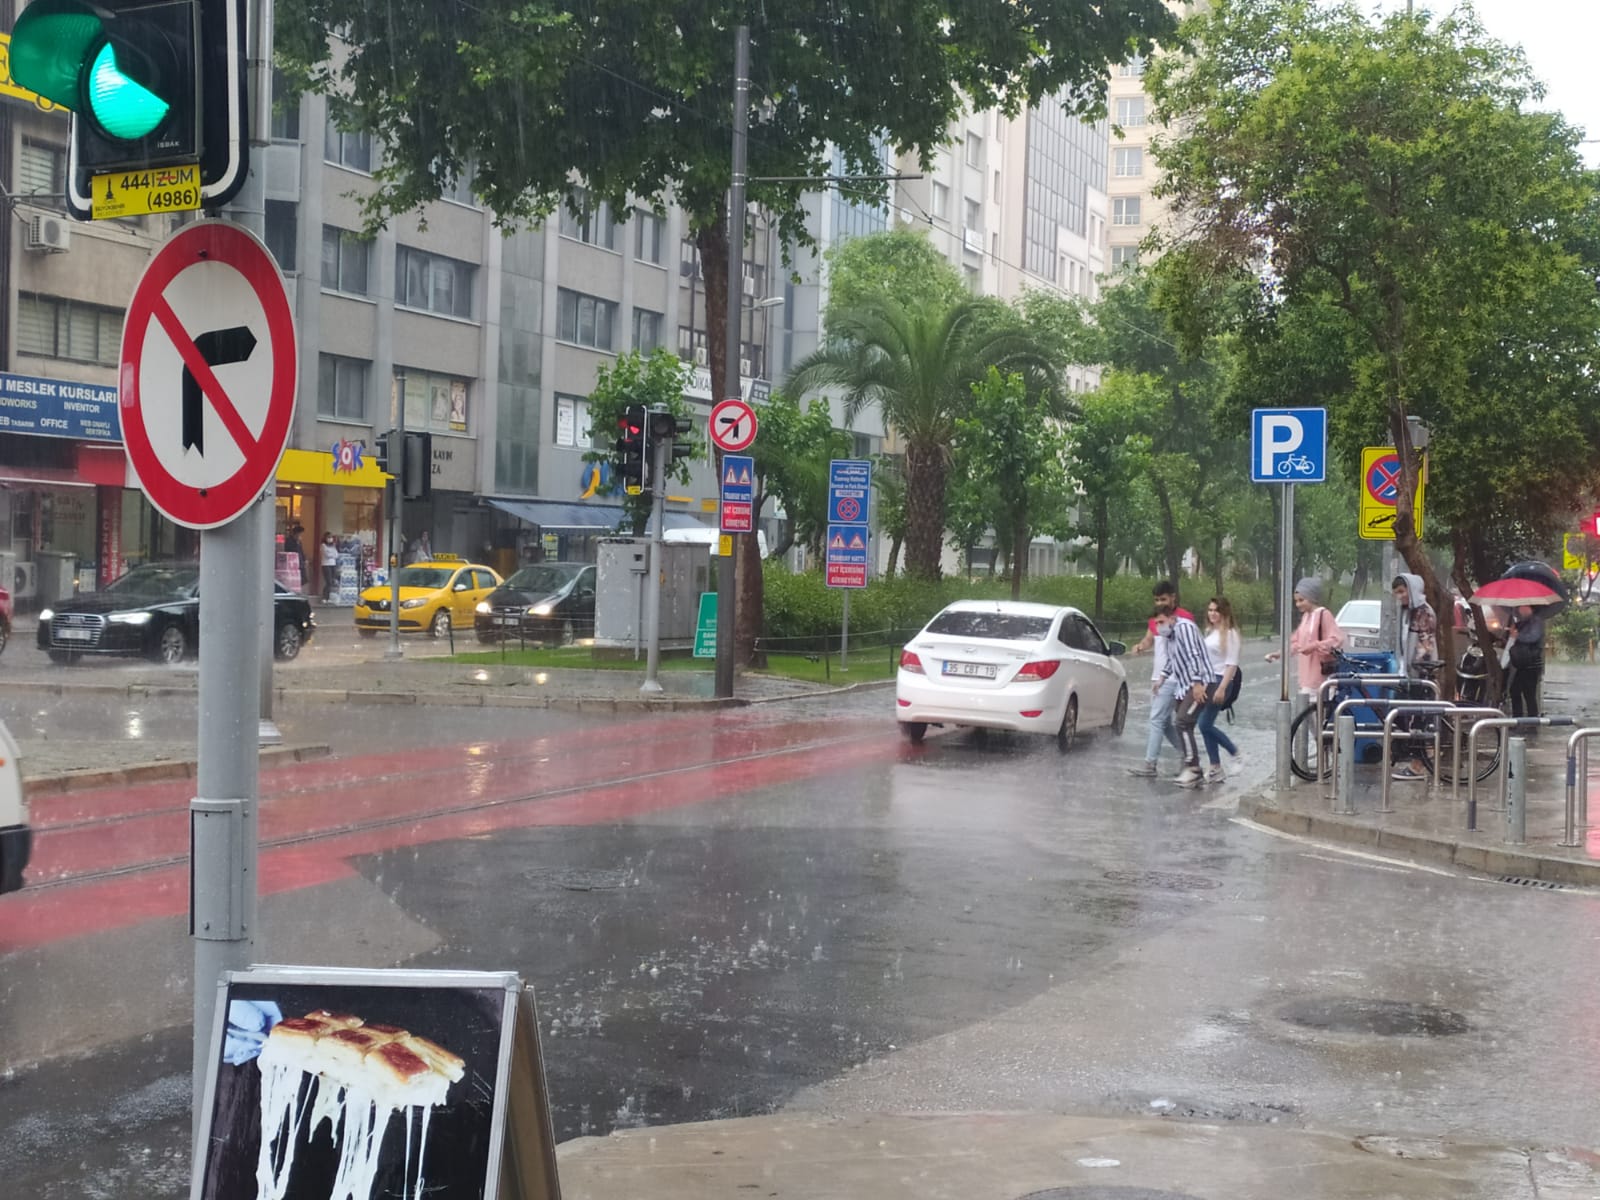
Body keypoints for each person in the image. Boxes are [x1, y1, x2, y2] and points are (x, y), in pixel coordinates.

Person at [1127, 580, 1195, 778]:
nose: (1159, 603)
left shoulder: (1185, 618)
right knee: (1164, 723)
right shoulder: (1156, 619)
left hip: (1174, 677)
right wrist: (1140, 646)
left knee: (1156, 719)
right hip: (1159, 676)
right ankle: (1188, 754)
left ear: (1173, 597)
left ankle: (1150, 764)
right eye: (1156, 600)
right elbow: (1149, 639)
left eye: (1163, 599)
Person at [1157, 606, 1218, 787]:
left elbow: (1194, 655)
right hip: (1185, 686)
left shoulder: (1185, 628)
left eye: (1161, 622)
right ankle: (1192, 766)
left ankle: (1193, 768)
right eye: (1156, 623)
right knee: (1184, 725)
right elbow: (1173, 659)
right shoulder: (1169, 636)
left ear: (1171, 618)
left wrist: (1197, 683)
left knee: (1183, 721)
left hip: (1201, 683)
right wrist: (1162, 677)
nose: (1159, 627)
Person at [1265, 577, 1344, 708]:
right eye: (1296, 601)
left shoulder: (1324, 615)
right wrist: (1280, 654)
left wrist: (1314, 646)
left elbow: (1336, 639)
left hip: (1320, 675)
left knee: (1315, 714)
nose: (1298, 604)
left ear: (1312, 597)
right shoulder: (1306, 616)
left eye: (1302, 600)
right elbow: (1297, 642)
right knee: (1307, 715)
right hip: (1306, 676)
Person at [1390, 572, 1439, 781]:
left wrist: (1416, 669)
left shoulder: (1423, 612)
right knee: (1409, 718)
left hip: (1420, 672)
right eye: (1397, 593)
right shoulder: (1408, 612)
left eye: (1402, 591)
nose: (1399, 596)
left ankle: (1420, 765)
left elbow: (1424, 647)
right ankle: (1424, 758)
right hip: (1409, 672)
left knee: (1420, 720)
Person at [1196, 596, 1243, 782]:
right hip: (1208, 680)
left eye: (1216, 610)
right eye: (1210, 610)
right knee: (1205, 725)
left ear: (1224, 612)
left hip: (1220, 680)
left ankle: (1235, 752)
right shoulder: (1210, 632)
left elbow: (1231, 664)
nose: (1212, 613)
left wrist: (1222, 688)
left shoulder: (1230, 634)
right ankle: (1215, 766)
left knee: (1204, 724)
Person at [1505, 604, 1546, 719]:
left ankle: (1531, 721)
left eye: (1523, 607)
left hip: (1531, 663)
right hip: (1523, 664)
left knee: (1528, 693)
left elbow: (1533, 637)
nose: (1520, 610)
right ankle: (1519, 718)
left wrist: (1517, 636)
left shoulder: (1537, 621)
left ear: (1530, 607)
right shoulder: (1524, 621)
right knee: (1515, 690)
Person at [283, 524, 307, 591]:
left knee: (303, 579)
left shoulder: (299, 542)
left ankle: (299, 590)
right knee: (294, 581)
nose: (300, 536)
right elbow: (289, 550)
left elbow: (301, 551)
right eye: (300, 534)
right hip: (292, 565)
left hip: (300, 563)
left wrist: (304, 560)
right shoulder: (289, 541)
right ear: (296, 534)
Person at [319, 532, 340, 602]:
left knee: (332, 581)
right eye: (328, 537)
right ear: (325, 538)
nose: (330, 539)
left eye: (331, 537)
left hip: (333, 565)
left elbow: (336, 555)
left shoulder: (333, 546)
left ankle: (328, 597)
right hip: (326, 565)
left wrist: (332, 554)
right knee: (328, 582)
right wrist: (332, 554)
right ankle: (325, 597)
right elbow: (327, 555)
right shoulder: (323, 545)